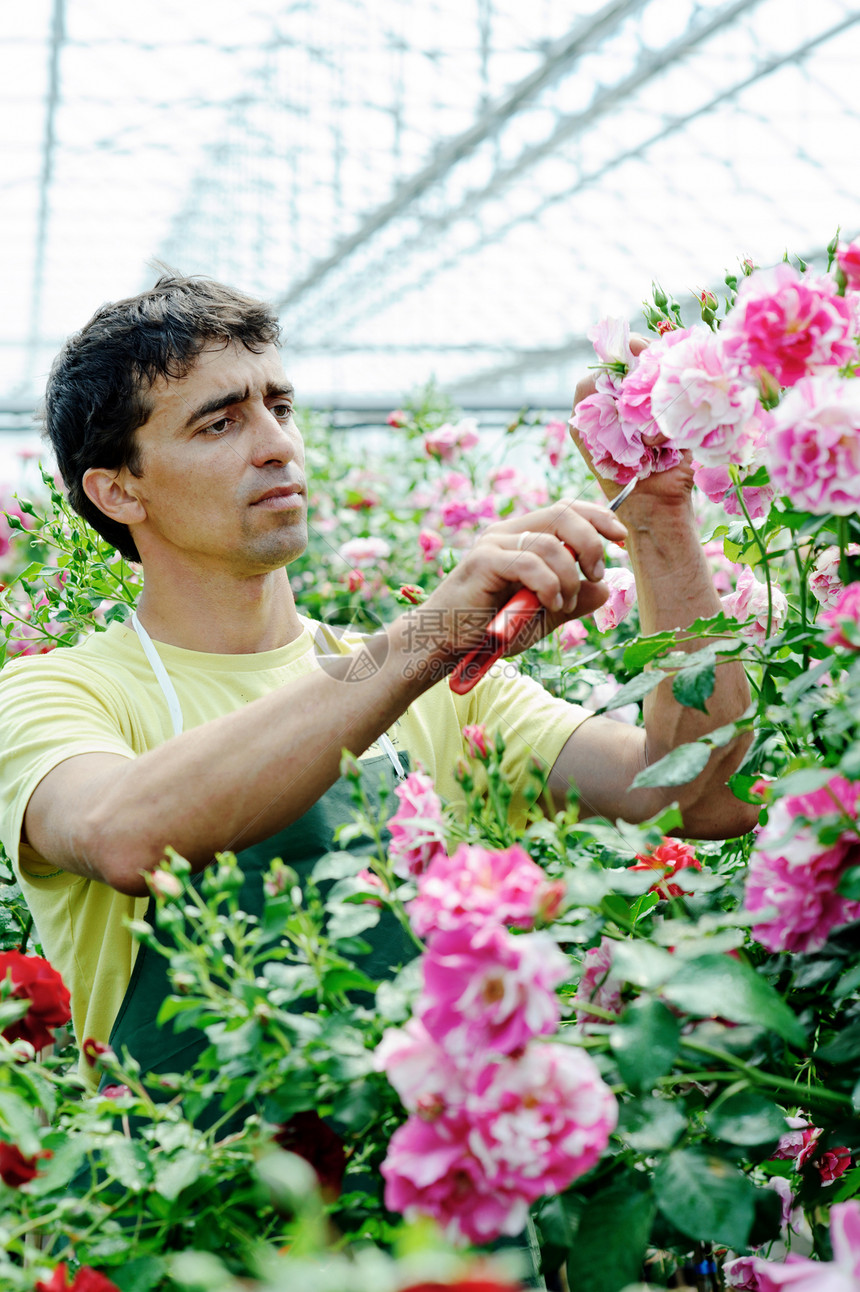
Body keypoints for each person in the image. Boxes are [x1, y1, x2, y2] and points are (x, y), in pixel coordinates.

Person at [0, 274, 756, 1095]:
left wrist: (657, 518)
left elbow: (694, 795)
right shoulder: (59, 694)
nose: (276, 444)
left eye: (279, 408)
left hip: (435, 1195)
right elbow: (124, 833)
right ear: (119, 490)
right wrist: (428, 634)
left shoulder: (441, 685)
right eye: (220, 422)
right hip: (207, 1210)